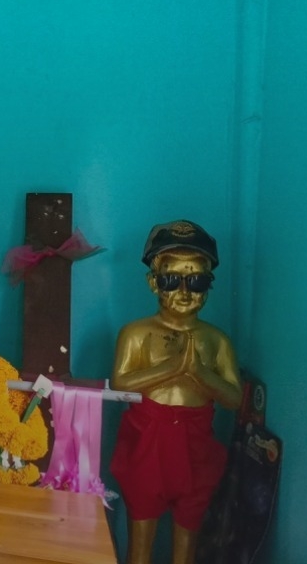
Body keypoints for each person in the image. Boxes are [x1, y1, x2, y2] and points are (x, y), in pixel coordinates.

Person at [110, 220, 243, 564]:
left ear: (209, 285)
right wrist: (170, 369)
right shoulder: (137, 334)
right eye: (172, 280)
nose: (184, 291)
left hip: (196, 446)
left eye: (196, 281)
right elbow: (120, 383)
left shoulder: (216, 340)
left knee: (187, 543)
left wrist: (199, 373)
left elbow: (234, 398)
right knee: (140, 542)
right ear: (153, 282)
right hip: (148, 443)